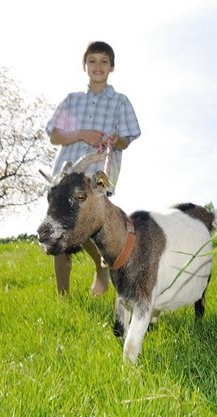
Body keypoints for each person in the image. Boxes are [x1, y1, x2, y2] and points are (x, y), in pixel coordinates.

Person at [46, 41, 141, 296]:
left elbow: (126, 140)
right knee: (60, 230)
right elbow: (54, 135)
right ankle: (62, 298)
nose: (98, 66)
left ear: (112, 67)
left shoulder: (120, 102)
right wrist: (81, 134)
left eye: (104, 61)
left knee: (88, 228)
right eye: (92, 60)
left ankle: (101, 267)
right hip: (66, 178)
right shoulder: (72, 101)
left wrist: (115, 139)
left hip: (96, 176)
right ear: (84, 65)